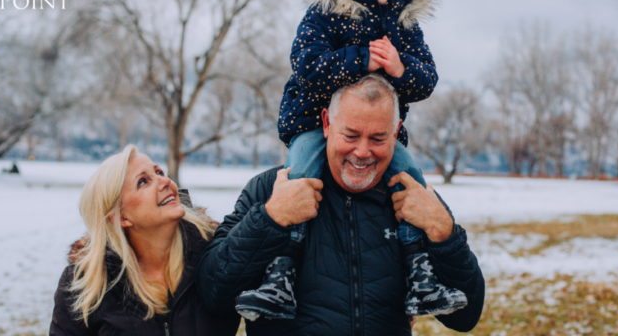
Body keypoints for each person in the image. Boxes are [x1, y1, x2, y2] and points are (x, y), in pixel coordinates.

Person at [234, 0, 463, 321]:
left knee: (411, 180)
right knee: (300, 177)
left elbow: (426, 80)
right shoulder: (324, 14)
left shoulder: (405, 25)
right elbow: (306, 65)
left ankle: (418, 268)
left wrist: (399, 68)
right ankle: (281, 268)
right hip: (309, 123)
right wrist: (360, 59)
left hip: (382, 131)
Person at [197, 75, 485, 336]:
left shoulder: (415, 197)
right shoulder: (270, 189)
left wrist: (443, 231)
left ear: (396, 132)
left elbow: (466, 317)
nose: (362, 152)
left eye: (378, 138)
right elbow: (213, 294)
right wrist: (271, 219)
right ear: (326, 123)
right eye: (351, 135)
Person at [49, 145, 239, 335]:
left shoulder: (216, 254)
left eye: (159, 172)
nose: (165, 181)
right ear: (121, 217)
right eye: (143, 182)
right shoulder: (83, 283)